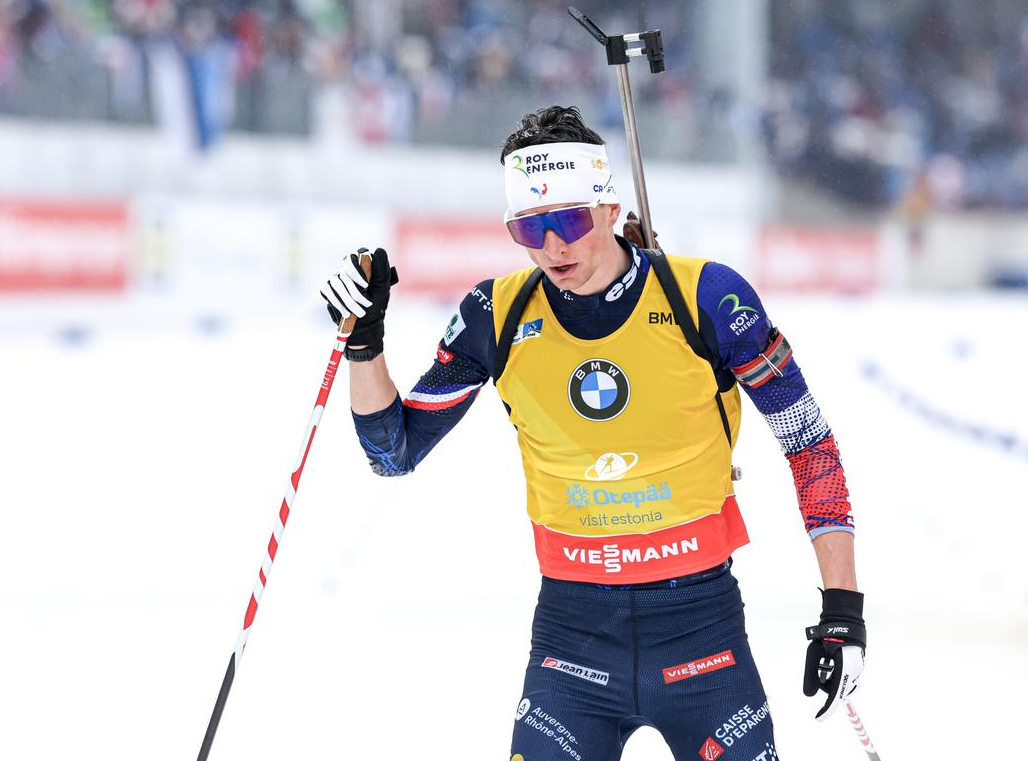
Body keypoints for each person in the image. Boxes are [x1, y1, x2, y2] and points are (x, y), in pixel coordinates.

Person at [320, 106, 865, 761]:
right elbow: (393, 452)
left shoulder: (707, 298)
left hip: (701, 635)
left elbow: (809, 444)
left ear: (609, 208)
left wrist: (842, 609)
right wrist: (365, 343)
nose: (554, 247)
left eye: (571, 220)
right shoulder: (496, 314)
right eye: (530, 227)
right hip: (571, 646)